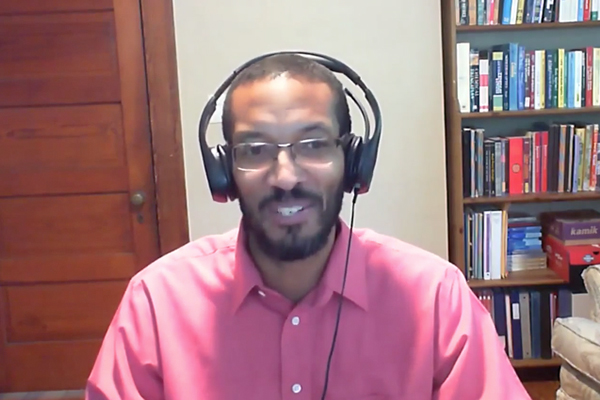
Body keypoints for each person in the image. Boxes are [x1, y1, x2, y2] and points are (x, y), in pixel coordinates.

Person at [85, 52, 531, 400]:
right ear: (224, 172)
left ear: (354, 161)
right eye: (255, 149)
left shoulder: (435, 298)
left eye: (314, 144)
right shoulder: (157, 303)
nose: (285, 176)